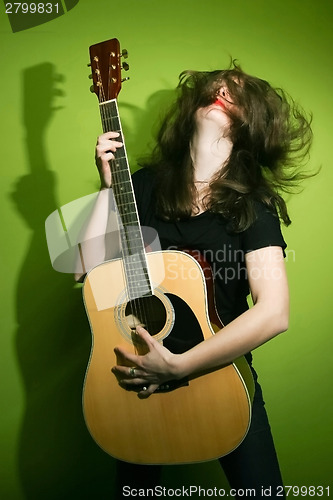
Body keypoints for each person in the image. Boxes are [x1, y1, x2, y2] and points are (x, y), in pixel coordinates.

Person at [92, 63, 312, 498]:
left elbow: (274, 312)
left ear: (253, 125)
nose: (223, 91)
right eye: (217, 87)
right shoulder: (145, 187)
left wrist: (179, 365)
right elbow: (91, 275)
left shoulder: (255, 206)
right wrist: (106, 188)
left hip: (218, 378)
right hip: (135, 377)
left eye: (238, 94)